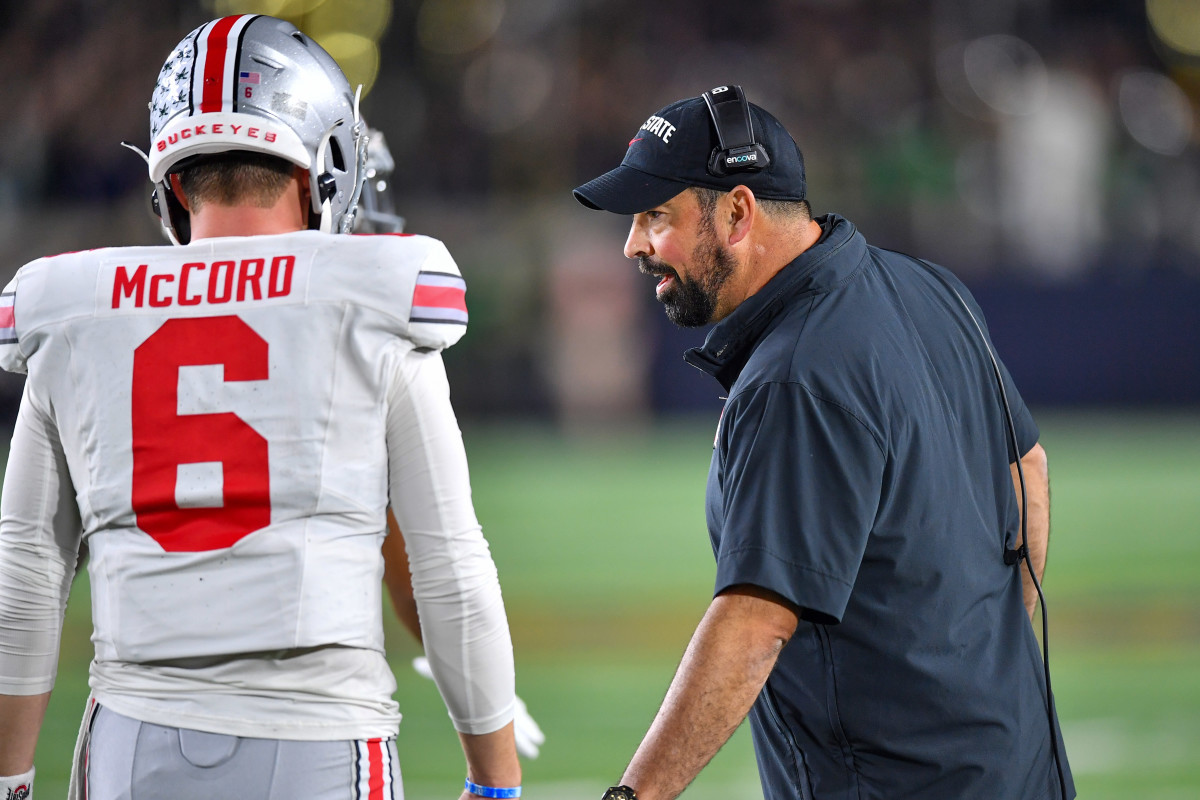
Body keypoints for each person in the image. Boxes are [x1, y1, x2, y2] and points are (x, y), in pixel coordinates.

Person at [0, 15, 522, 800]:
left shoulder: (72, 311)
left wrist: (8, 778)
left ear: (171, 183)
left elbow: (27, 575)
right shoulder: (377, 298)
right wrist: (496, 780)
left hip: (129, 746)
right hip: (317, 738)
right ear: (323, 170)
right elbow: (448, 565)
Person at [572, 85, 1074, 800]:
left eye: (657, 215)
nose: (635, 245)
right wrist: (983, 661)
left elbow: (753, 623)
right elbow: (1028, 468)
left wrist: (633, 797)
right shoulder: (931, 289)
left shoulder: (794, 376)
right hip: (1021, 768)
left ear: (738, 212)